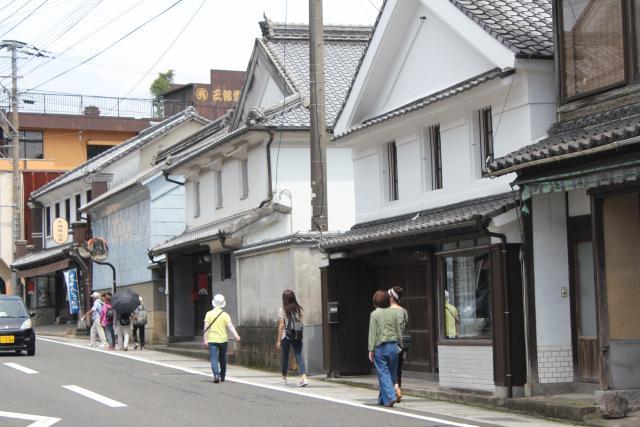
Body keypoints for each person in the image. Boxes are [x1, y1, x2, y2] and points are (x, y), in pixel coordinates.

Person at [368, 290, 402, 407]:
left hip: (380, 348)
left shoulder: (374, 314)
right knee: (391, 373)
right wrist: (400, 344)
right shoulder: (393, 313)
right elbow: (398, 330)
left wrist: (370, 349)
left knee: (383, 373)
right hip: (393, 346)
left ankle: (391, 396)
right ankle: (383, 400)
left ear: (375, 302)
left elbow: (372, 334)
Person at [202, 294, 241, 383]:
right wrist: (236, 336)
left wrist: (205, 340)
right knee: (222, 357)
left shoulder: (208, 314)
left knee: (213, 358)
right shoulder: (225, 315)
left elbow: (206, 328)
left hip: (212, 340)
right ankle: (222, 375)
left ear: (214, 303)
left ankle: (216, 375)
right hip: (223, 340)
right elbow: (230, 326)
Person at [276, 289, 308, 387]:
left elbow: (281, 325)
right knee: (299, 355)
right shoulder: (299, 309)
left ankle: (284, 379)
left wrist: (278, 340)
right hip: (297, 335)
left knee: (285, 357)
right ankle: (303, 377)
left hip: (286, 336)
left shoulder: (282, 310)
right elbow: (301, 323)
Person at [388, 286, 408, 401]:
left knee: (389, 368)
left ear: (391, 297)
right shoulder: (404, 311)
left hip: (391, 343)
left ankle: (393, 390)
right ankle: (398, 388)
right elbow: (405, 327)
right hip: (402, 344)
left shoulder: (388, 311)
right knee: (398, 369)